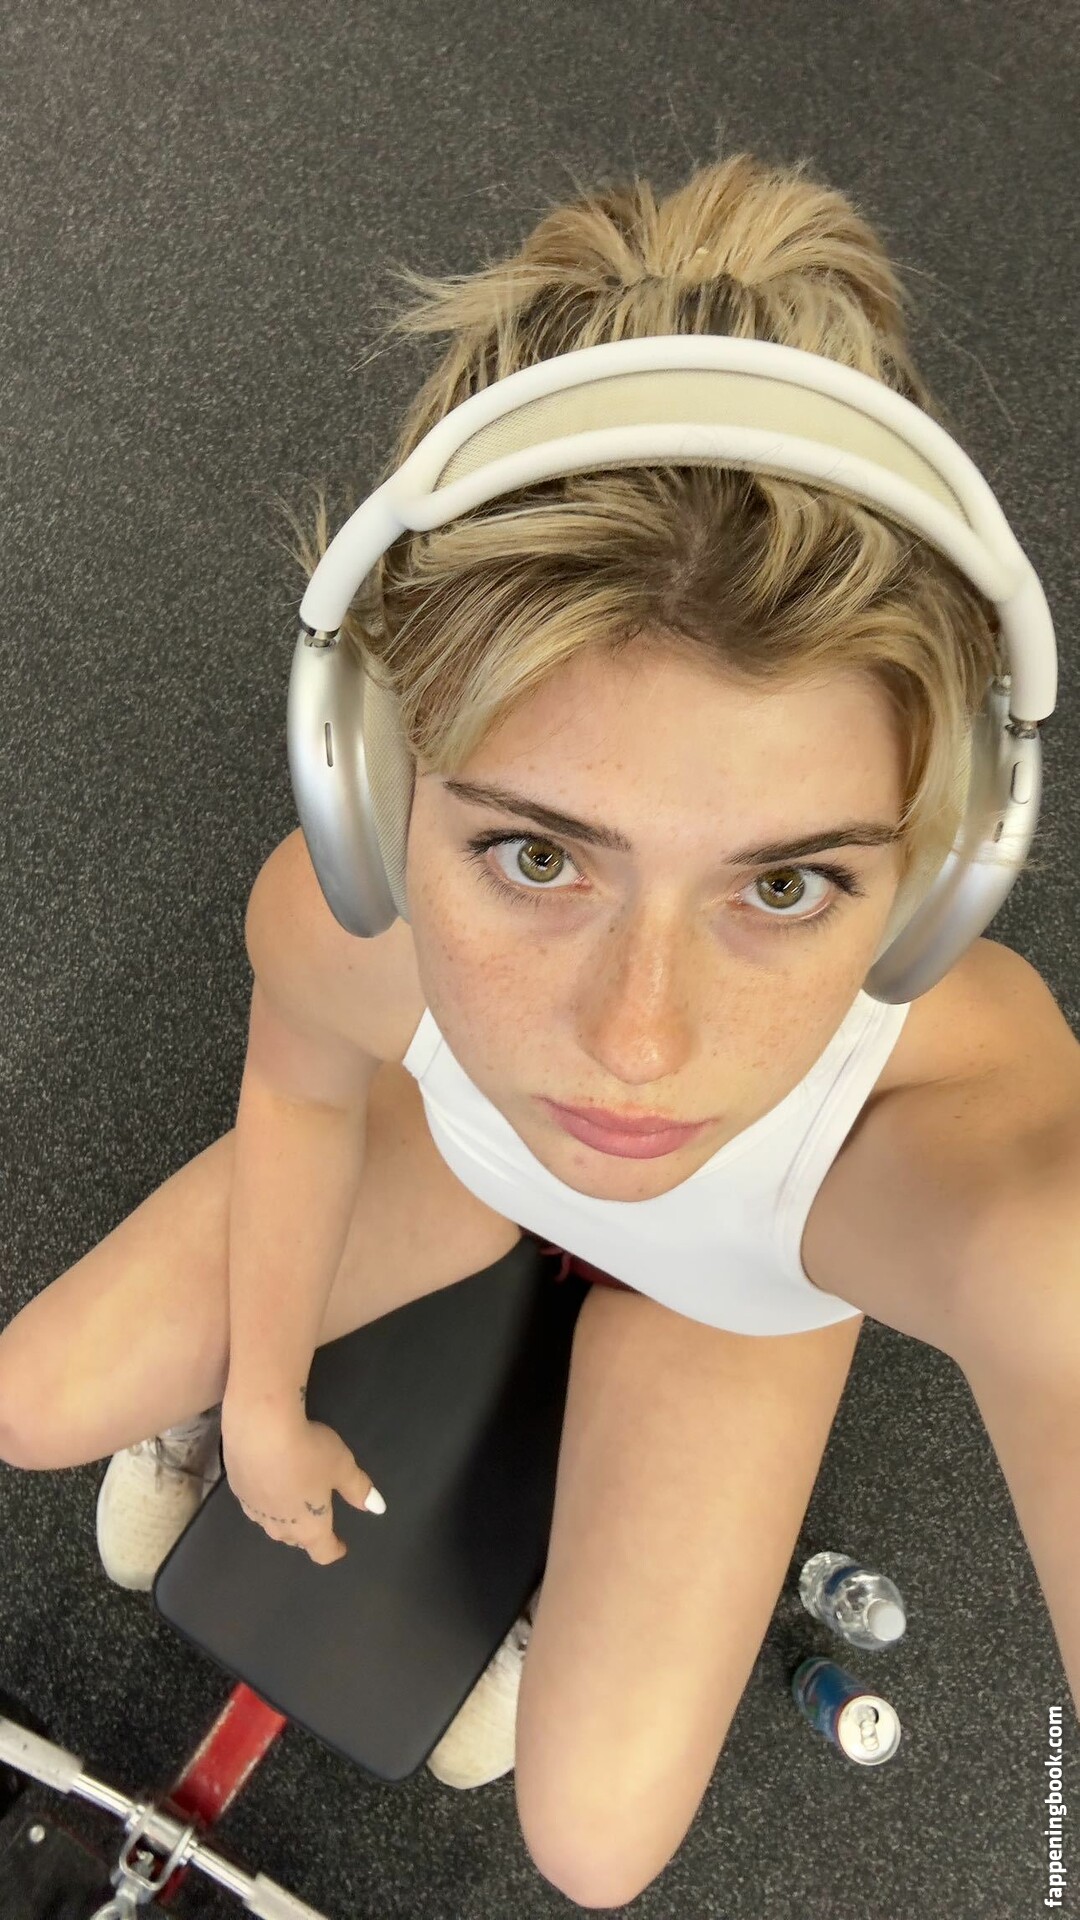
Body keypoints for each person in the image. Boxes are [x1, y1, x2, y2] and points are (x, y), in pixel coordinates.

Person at [0, 147, 1073, 1906]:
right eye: (535, 854)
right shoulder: (340, 913)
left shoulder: (969, 1136)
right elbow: (303, 1098)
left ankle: (585, 1566)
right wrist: (260, 1403)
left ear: (944, 875)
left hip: (733, 1294)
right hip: (461, 1150)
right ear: (372, 792)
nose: (637, 1050)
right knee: (30, 1402)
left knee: (594, 1843)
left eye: (785, 883)